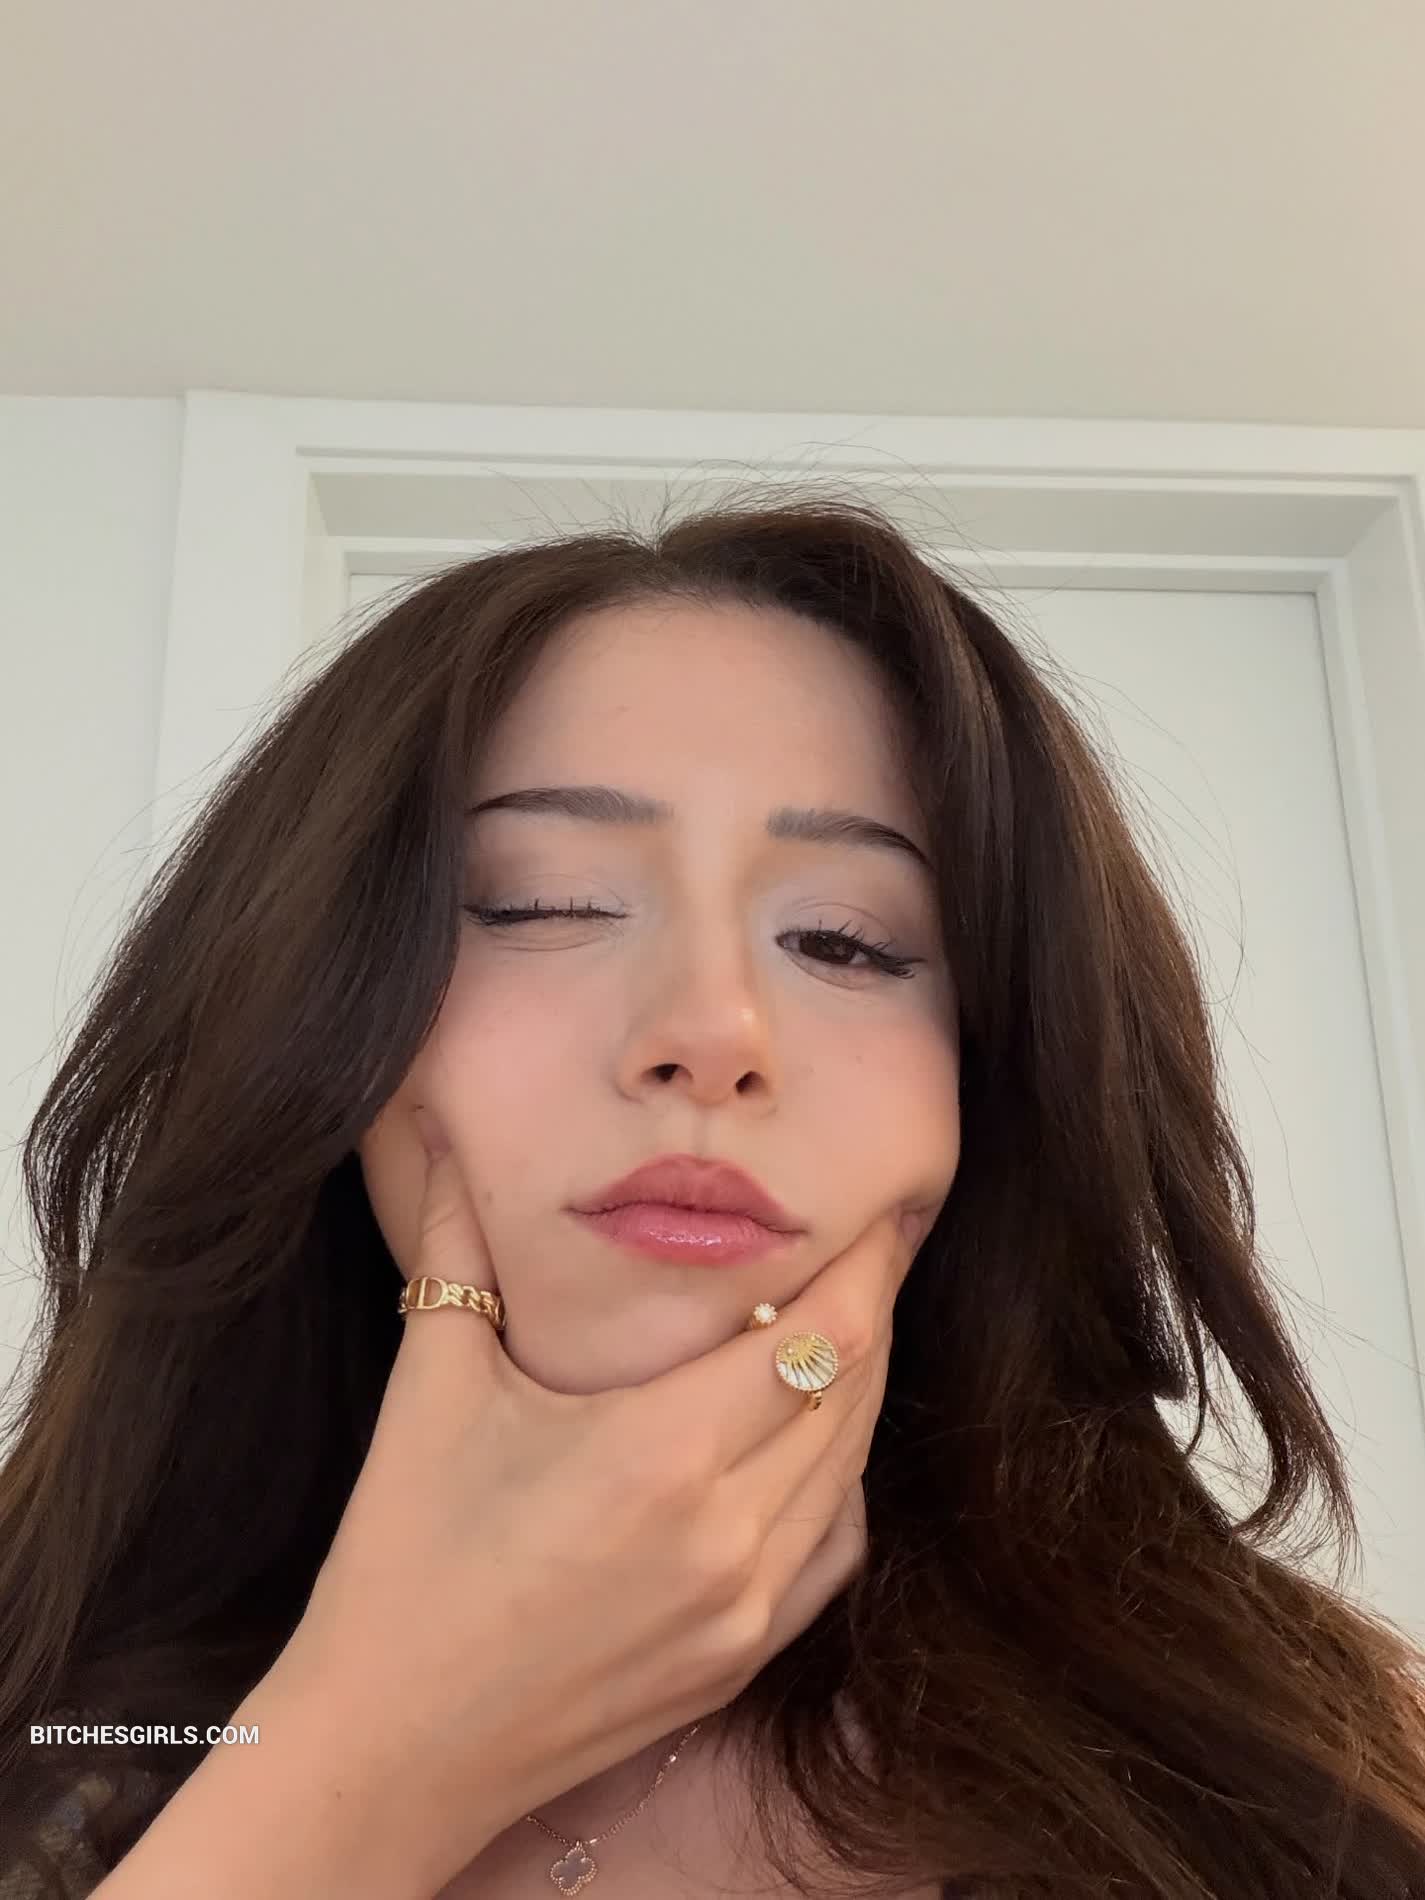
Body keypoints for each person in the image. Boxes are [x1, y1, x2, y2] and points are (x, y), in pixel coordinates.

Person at [1, 485, 1423, 1899]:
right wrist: (369, 1754)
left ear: (996, 1079)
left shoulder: (1305, 1784)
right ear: (311, 1012)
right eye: (542, 904)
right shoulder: (68, 1717)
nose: (713, 1030)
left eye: (847, 941)